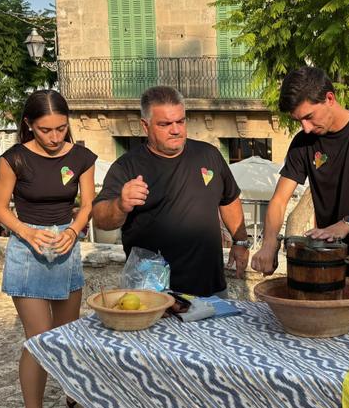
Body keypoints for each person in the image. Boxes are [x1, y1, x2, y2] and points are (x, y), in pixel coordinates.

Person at [251, 66, 349, 316]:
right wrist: (269, 244)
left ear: (329, 99)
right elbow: (279, 200)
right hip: (327, 266)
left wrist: (345, 225)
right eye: (299, 120)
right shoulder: (304, 143)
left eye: (309, 116)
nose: (306, 127)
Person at [0, 89, 97, 408]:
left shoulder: (82, 157)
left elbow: (87, 204)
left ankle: (73, 401)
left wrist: (74, 230)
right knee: (39, 340)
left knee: (68, 336)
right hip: (27, 250)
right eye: (45, 130)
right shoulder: (14, 159)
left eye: (60, 129)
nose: (54, 138)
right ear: (29, 126)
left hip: (66, 248)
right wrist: (25, 231)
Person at [92, 86, 249, 303]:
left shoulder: (209, 155)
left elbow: (229, 199)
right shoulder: (127, 167)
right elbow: (100, 218)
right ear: (145, 126)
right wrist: (120, 205)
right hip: (152, 294)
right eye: (165, 124)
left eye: (180, 121)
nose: (175, 130)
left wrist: (240, 242)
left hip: (211, 289)